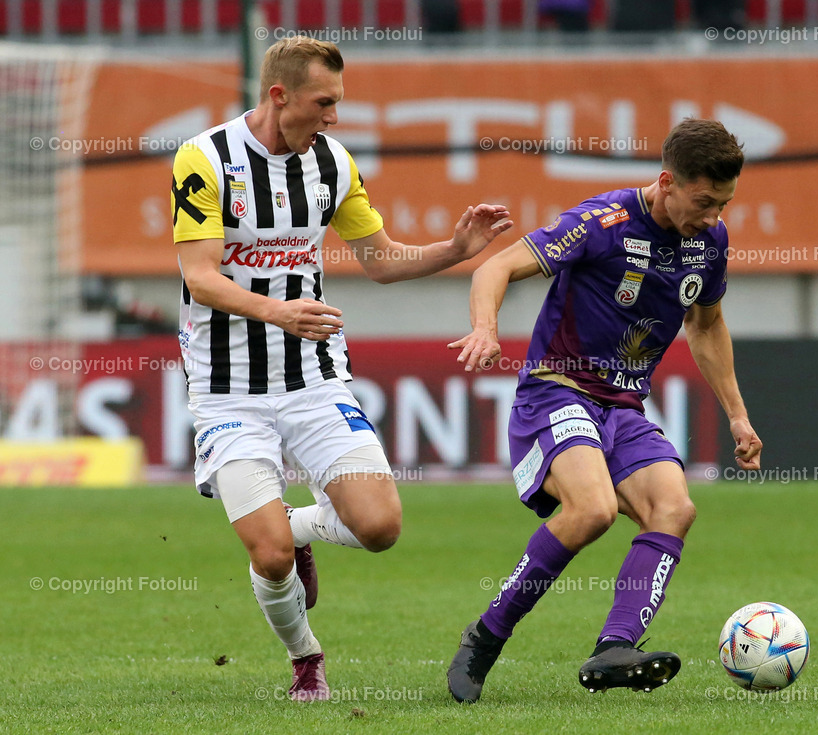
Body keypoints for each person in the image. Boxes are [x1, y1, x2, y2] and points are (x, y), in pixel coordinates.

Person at [171, 36, 511, 701]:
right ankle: (306, 656)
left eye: (337, 104)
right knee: (266, 558)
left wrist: (457, 248)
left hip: (314, 379)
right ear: (280, 95)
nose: (333, 117)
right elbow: (201, 278)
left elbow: (380, 260)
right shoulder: (204, 158)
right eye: (324, 103)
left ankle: (298, 527)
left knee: (380, 527)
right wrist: (282, 313)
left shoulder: (331, 163)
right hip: (227, 389)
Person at [445, 118, 762, 702]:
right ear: (667, 181)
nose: (713, 216)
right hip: (556, 390)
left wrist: (738, 416)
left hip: (622, 408)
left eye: (724, 204)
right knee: (589, 510)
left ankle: (613, 650)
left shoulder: (708, 242)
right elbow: (496, 266)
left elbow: (707, 326)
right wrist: (485, 330)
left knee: (674, 507)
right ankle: (485, 637)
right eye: (703, 202)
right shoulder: (602, 221)